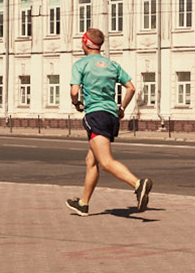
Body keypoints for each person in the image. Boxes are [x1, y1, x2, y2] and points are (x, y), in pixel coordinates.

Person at [65, 28, 153, 216]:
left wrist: (76, 103)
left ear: (85, 43)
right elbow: (130, 88)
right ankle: (83, 203)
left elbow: (74, 92)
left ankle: (138, 184)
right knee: (91, 160)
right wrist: (121, 108)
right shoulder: (112, 65)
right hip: (111, 115)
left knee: (105, 162)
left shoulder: (81, 65)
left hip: (95, 115)